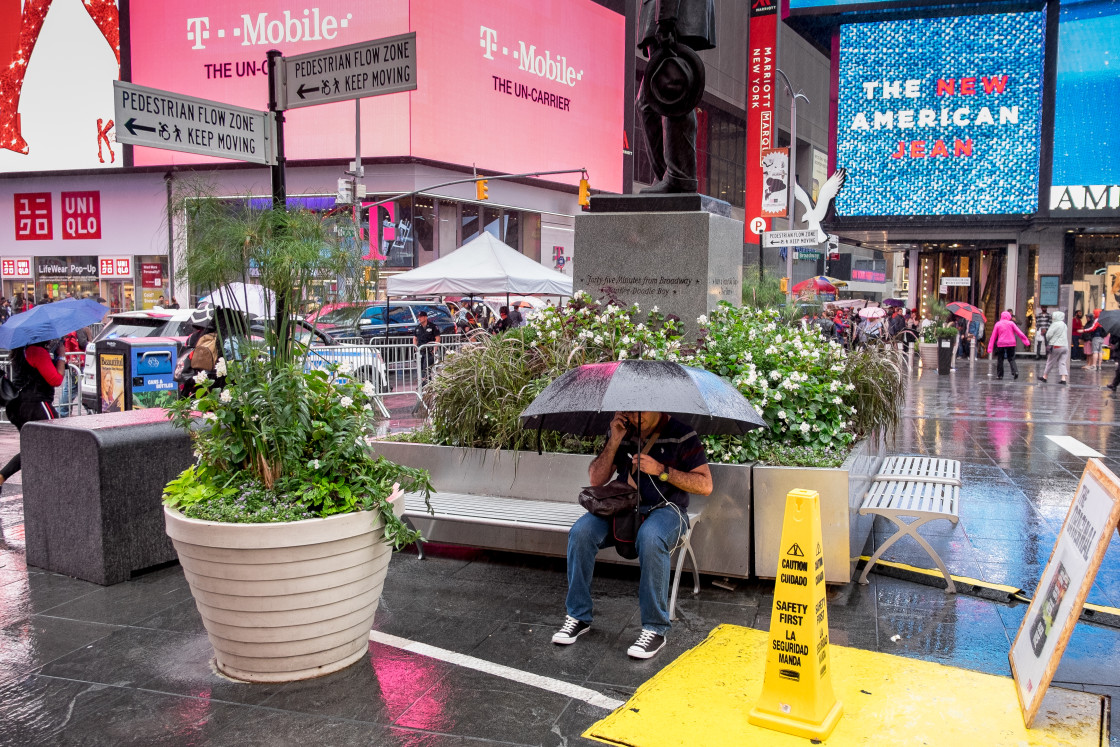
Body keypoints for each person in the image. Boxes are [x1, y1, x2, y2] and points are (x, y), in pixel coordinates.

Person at [553, 410, 712, 659]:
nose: (634, 415)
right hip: (624, 507)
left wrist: (661, 470)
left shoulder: (682, 434)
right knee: (581, 532)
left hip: (667, 510)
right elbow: (596, 479)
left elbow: (705, 485)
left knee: (651, 538)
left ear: (657, 405)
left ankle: (655, 629)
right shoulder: (622, 429)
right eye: (627, 409)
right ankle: (578, 615)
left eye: (640, 410)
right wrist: (615, 439)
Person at [0, 340, 66, 488]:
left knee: (34, 448)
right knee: (60, 439)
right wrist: (61, 357)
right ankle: (56, 483)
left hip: (17, 406)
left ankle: (3, 476)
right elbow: (55, 379)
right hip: (36, 405)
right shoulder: (37, 351)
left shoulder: (21, 350)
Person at [987, 311, 1030, 380]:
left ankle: (1000, 375)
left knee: (1000, 359)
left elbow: (993, 337)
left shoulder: (998, 324)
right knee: (1011, 358)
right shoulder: (1011, 323)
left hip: (1001, 343)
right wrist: (1026, 341)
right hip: (1011, 343)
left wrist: (990, 347)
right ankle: (1015, 371)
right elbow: (1019, 332)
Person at [1040, 311, 1069, 385]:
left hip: (1056, 346)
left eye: (1053, 316)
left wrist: (1048, 338)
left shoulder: (1055, 324)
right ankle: (1063, 378)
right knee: (1062, 362)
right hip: (1065, 346)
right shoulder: (1064, 325)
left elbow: (1049, 335)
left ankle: (1045, 377)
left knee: (1050, 362)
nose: (1052, 317)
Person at [413, 310, 440, 383]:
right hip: (421, 351)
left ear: (425, 317)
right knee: (421, 368)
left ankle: (426, 384)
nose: (419, 318)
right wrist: (416, 348)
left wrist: (434, 350)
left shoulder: (433, 326)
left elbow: (437, 338)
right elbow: (415, 338)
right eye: (418, 317)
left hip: (429, 351)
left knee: (426, 368)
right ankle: (425, 384)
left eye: (421, 317)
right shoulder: (418, 328)